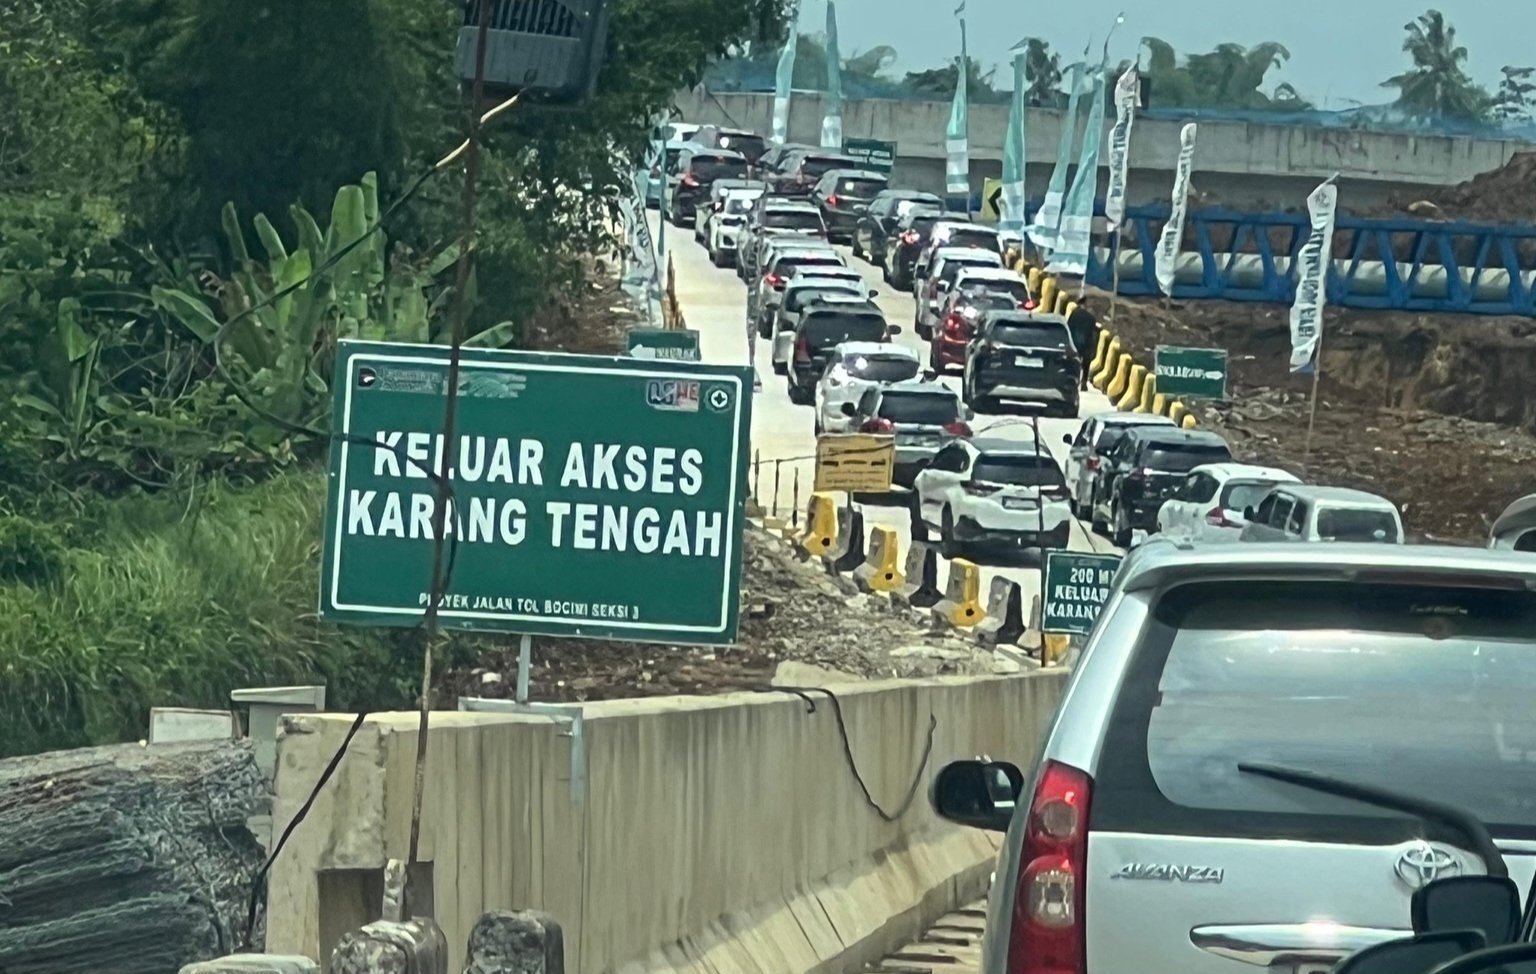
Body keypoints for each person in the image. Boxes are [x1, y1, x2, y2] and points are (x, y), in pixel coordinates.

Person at [1066, 298, 1100, 391]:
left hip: (1074, 342)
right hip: (1086, 344)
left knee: (1072, 362)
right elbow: (1092, 333)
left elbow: (1068, 327)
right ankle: (1083, 382)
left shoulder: (1074, 314)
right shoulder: (1091, 318)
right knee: (1086, 364)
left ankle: (1071, 380)